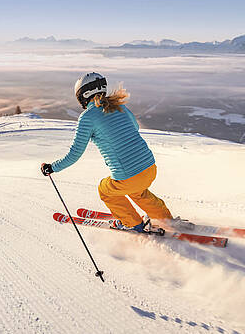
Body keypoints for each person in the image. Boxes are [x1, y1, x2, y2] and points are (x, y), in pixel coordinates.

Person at [41, 72, 174, 232]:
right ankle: (166, 219)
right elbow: (135, 128)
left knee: (105, 190)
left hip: (129, 176)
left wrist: (52, 167)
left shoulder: (87, 118)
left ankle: (131, 223)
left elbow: (74, 154)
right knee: (137, 192)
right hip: (150, 168)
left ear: (83, 95)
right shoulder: (120, 107)